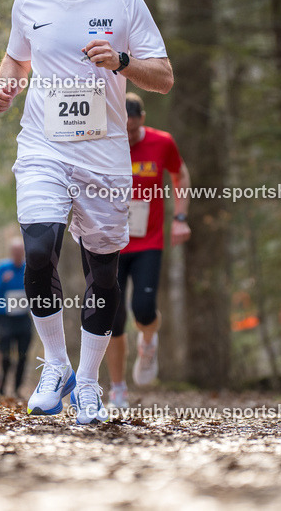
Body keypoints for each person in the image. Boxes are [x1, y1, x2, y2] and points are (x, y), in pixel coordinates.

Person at [0, 0, 173, 424]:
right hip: (43, 146)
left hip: (104, 155)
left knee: (103, 270)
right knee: (39, 247)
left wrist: (121, 61)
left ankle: (89, 385)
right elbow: (17, 57)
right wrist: (7, 84)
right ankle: (56, 366)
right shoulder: (29, 0)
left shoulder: (124, 0)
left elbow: (162, 76)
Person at [106, 92, 191, 408]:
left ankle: (148, 340)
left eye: (132, 130)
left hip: (148, 241)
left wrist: (180, 217)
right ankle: (118, 390)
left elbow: (179, 174)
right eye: (122, 130)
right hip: (111, 242)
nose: (127, 136)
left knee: (143, 308)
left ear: (142, 119)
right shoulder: (102, 141)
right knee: (113, 317)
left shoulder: (161, 142)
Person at [0, 237, 32, 395]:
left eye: (20, 252)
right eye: (15, 252)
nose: (17, 255)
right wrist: (2, 280)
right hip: (5, 318)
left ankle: (17, 388)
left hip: (23, 317)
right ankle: (1, 386)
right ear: (11, 253)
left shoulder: (29, 267)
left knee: (23, 355)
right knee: (5, 355)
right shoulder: (2, 267)